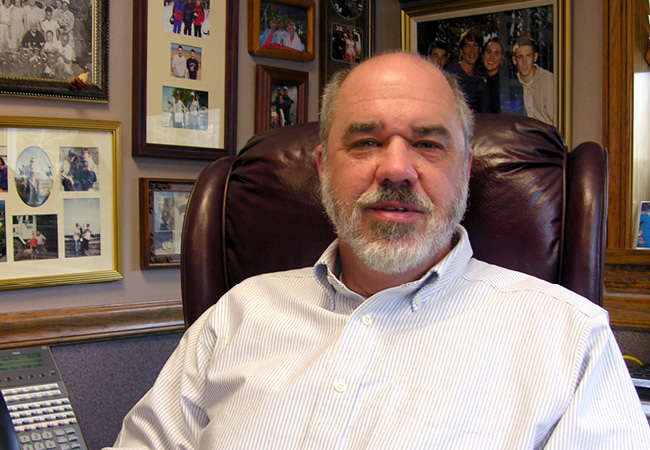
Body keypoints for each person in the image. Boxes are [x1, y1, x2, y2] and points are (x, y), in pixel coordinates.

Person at [106, 51, 650, 449]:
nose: (395, 168)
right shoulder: (239, 316)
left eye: (428, 144)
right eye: (365, 141)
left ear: (463, 169)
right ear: (322, 169)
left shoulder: (568, 342)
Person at [512, 36, 556, 125]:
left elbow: (556, 121)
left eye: (528, 56)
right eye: (520, 57)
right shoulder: (513, 82)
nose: (524, 61)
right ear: (514, 60)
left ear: (535, 57)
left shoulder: (548, 81)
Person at [447, 29, 488, 113]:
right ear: (461, 51)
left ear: (480, 50)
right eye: (467, 46)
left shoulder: (479, 77)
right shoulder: (451, 74)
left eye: (475, 46)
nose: (471, 51)